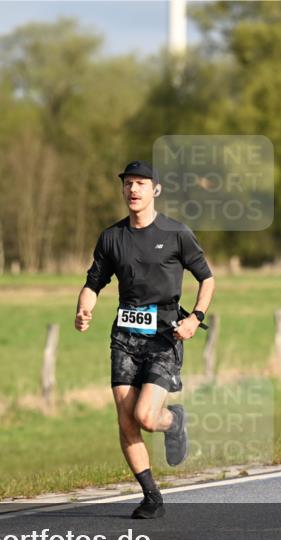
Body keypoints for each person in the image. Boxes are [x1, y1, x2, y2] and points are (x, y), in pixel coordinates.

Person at [75, 160, 215, 518]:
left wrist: (196, 317)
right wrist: (84, 309)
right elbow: (93, 283)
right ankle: (151, 496)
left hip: (164, 336)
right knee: (126, 420)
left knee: (146, 417)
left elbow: (207, 278)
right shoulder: (111, 237)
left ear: (156, 190)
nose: (133, 189)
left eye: (140, 183)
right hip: (125, 337)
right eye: (128, 183)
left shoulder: (176, 233)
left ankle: (174, 422)